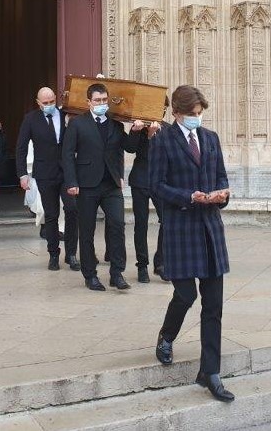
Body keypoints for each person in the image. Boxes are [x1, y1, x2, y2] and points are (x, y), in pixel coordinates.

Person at [151, 85, 234, 403]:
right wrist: (188, 196)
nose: (197, 120)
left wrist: (221, 194)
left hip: (210, 228)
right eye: (191, 115)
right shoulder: (163, 141)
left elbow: (222, 177)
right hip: (181, 228)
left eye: (200, 114)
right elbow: (155, 185)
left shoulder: (211, 139)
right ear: (176, 113)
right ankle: (166, 335)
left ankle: (210, 372)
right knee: (185, 293)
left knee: (213, 305)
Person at [62, 82, 144, 291]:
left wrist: (135, 130)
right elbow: (68, 155)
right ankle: (90, 275)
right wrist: (71, 182)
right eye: (97, 100)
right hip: (86, 185)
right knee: (87, 231)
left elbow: (130, 148)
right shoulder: (77, 124)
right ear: (88, 102)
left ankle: (117, 273)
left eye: (104, 100)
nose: (101, 104)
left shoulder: (115, 124)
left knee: (117, 225)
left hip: (111, 185)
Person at [16, 87, 79, 271]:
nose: (50, 105)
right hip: (45, 173)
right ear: (38, 103)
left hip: (67, 172)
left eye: (52, 101)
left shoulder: (65, 115)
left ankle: (72, 254)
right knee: (51, 215)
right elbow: (21, 147)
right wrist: (22, 175)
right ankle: (53, 254)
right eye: (46, 103)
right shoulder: (30, 119)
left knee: (72, 210)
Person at [128, 97, 168, 283]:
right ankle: (142, 266)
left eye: (163, 108)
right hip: (140, 181)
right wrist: (146, 134)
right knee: (141, 225)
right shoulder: (139, 128)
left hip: (161, 183)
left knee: (167, 221)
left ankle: (160, 262)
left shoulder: (168, 130)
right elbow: (130, 149)